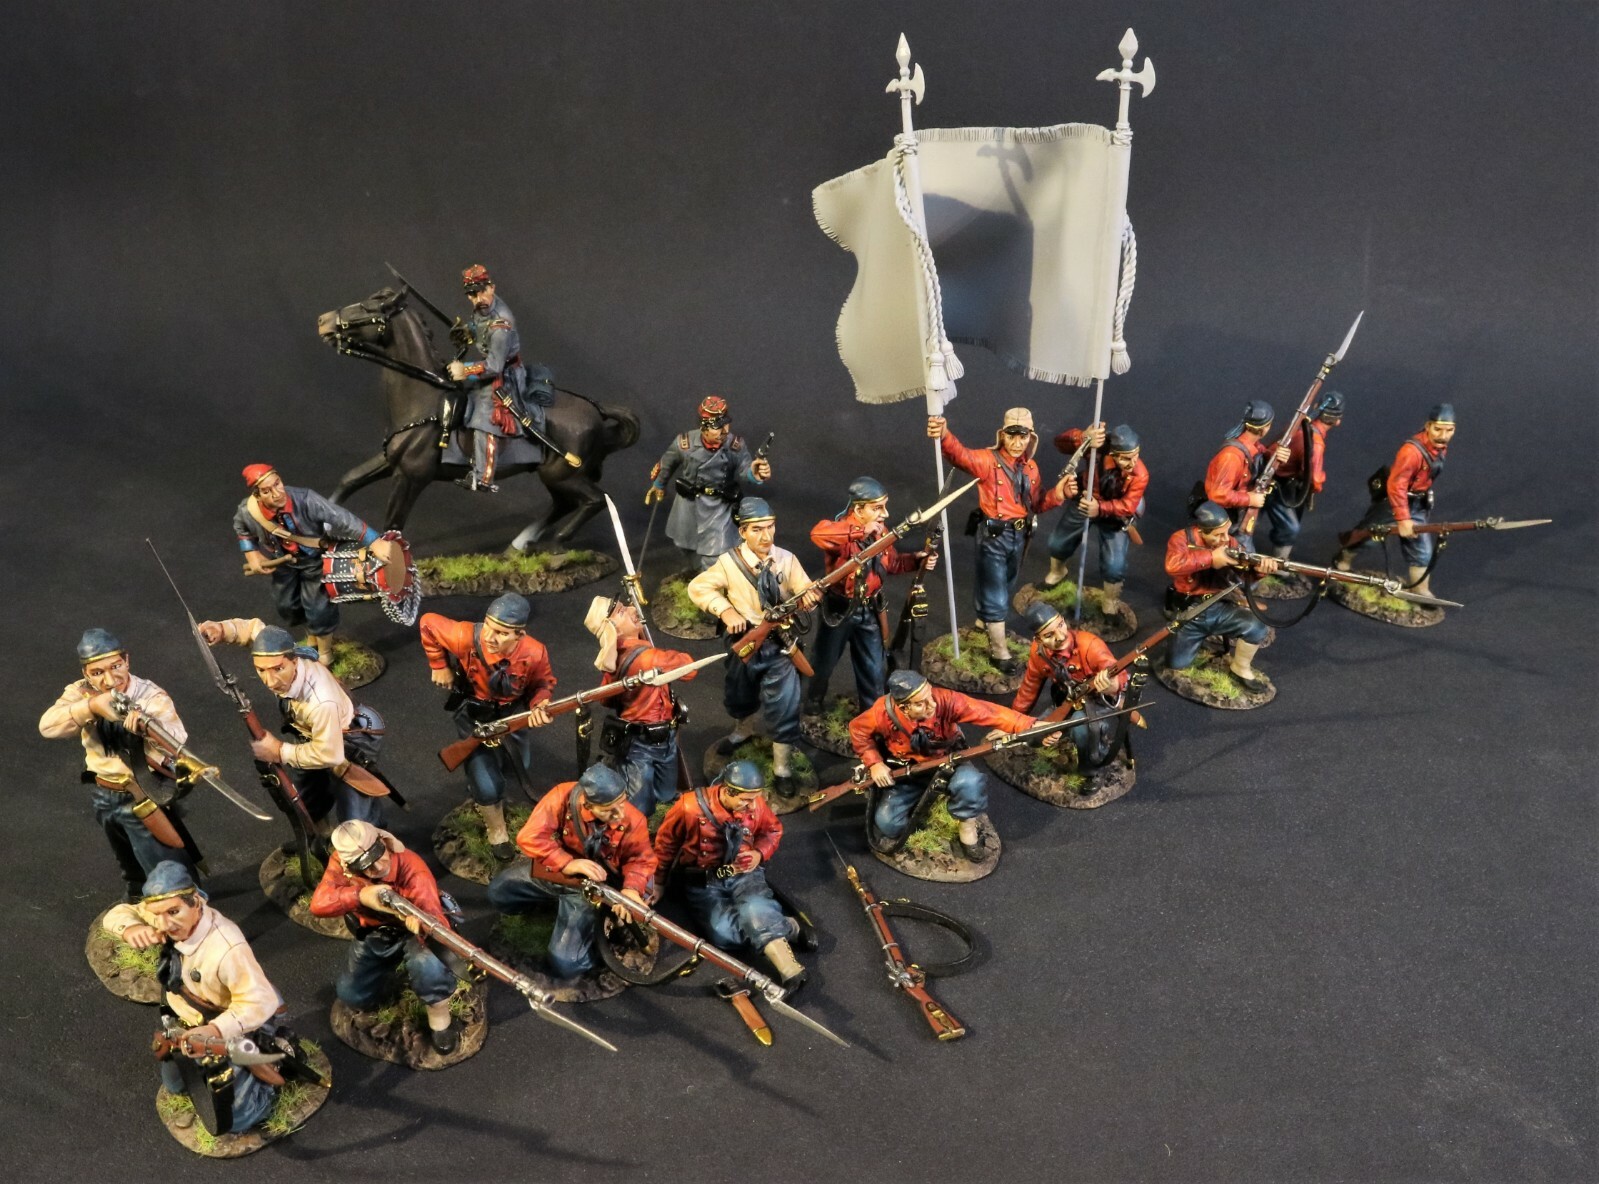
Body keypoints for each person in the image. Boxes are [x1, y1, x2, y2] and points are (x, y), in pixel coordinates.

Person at [104, 862, 285, 1133]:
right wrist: (129, 928)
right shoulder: (164, 913)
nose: (164, 924)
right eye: (157, 915)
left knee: (237, 1119)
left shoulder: (227, 947)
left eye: (173, 912)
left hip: (230, 1025)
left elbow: (261, 1000)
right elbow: (117, 914)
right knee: (176, 1084)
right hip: (184, 1023)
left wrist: (215, 1030)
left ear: (196, 903)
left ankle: (266, 1087)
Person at [39, 628, 202, 898]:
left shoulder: (150, 696)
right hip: (103, 792)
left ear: (126, 660)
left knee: (164, 862)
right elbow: (48, 726)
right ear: (86, 673)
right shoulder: (81, 692)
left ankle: (187, 902)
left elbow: (176, 741)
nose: (109, 679)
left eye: (115, 667)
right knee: (129, 864)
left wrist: (146, 728)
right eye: (97, 672)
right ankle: (138, 899)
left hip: (142, 792)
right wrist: (91, 707)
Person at [197, 617, 390, 829]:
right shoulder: (277, 654)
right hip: (310, 733)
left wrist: (281, 751)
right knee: (307, 795)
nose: (270, 681)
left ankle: (372, 842)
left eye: (278, 669)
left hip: (351, 737)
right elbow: (254, 631)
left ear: (295, 661)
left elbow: (330, 754)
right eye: (261, 670)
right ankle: (318, 835)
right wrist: (223, 629)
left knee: (356, 810)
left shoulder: (322, 701)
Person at [687, 497, 822, 795]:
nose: (766, 536)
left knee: (785, 703)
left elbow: (803, 588)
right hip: (744, 640)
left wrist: (809, 598)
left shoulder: (786, 559)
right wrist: (725, 610)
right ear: (743, 532)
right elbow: (698, 587)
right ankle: (742, 731)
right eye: (757, 529)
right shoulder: (729, 563)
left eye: (770, 527)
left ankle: (782, 768)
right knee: (739, 691)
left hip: (780, 642)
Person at [927, 407, 1072, 672]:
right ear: (1002, 435)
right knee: (995, 590)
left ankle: (983, 622)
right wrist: (945, 434)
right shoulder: (987, 461)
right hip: (993, 536)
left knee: (1006, 583)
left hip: (1019, 535)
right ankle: (999, 651)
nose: (1017, 443)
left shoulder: (1031, 468)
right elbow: (960, 456)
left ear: (1031, 437)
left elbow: (1037, 503)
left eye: (1023, 436)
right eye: (1011, 436)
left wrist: (1059, 493)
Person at [848, 670, 1049, 859]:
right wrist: (874, 763)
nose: (931, 705)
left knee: (970, 783)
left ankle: (967, 826)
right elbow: (858, 730)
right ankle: (922, 808)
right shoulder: (882, 712)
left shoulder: (946, 700)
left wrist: (1030, 725)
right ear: (904, 708)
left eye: (930, 697)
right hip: (907, 771)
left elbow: (988, 712)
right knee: (889, 824)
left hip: (949, 762)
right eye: (921, 704)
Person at [486, 765, 657, 985]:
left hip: (591, 890)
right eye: (609, 810)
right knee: (499, 893)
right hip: (559, 874)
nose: (620, 814)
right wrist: (566, 862)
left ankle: (596, 941)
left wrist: (631, 889)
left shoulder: (634, 820)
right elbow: (529, 836)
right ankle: (554, 907)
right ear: (587, 804)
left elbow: (641, 860)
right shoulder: (562, 797)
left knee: (567, 964)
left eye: (622, 803)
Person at [420, 594, 556, 859]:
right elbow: (428, 622)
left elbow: (543, 683)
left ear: (519, 635)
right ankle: (497, 830)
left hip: (510, 717)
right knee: (486, 782)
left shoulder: (535, 652)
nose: (491, 637)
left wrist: (540, 704)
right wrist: (439, 665)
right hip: (474, 716)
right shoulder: (464, 636)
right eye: (489, 627)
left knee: (518, 765)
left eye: (502, 633)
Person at [653, 760, 809, 991]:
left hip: (743, 873)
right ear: (728, 791)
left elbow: (772, 830)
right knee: (725, 936)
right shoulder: (688, 807)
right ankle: (786, 926)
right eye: (745, 800)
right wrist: (658, 881)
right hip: (703, 880)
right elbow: (666, 844)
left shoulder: (755, 804)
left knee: (755, 909)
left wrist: (758, 853)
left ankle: (791, 971)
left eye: (754, 799)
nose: (751, 805)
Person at [309, 821, 463, 1054]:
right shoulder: (343, 863)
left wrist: (421, 925)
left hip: (416, 933)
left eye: (378, 855)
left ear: (384, 842)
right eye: (366, 866)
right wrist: (360, 895)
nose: (377, 867)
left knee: (428, 966)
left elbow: (435, 919)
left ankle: (440, 1019)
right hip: (377, 931)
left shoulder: (413, 869)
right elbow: (319, 904)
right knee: (353, 995)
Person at [805, 476, 933, 714]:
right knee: (824, 662)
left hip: (869, 610)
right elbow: (818, 534)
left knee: (874, 668)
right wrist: (859, 531)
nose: (885, 514)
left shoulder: (881, 533)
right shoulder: (843, 530)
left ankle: (872, 713)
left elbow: (892, 563)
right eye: (877, 508)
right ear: (858, 510)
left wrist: (916, 561)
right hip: (839, 610)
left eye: (884, 506)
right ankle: (813, 702)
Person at [233, 464, 382, 666]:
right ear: (257, 495)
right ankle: (311, 637)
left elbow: (341, 517)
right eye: (267, 491)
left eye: (277, 484)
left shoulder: (305, 499)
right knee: (287, 605)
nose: (277, 493)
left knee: (318, 606)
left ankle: (325, 653)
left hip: (315, 560)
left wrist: (374, 540)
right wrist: (252, 555)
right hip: (283, 564)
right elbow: (242, 528)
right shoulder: (248, 511)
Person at [582, 595, 699, 817]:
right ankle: (638, 828)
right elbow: (690, 669)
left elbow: (606, 700)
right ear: (612, 628)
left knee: (666, 791)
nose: (632, 609)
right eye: (621, 611)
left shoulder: (618, 659)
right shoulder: (649, 658)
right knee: (641, 801)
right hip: (643, 742)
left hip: (659, 737)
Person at [1334, 403, 1456, 598]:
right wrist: (1403, 518)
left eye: (1449, 430)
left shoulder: (1439, 448)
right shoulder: (1411, 452)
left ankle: (1420, 589)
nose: (1443, 435)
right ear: (1428, 426)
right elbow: (1396, 485)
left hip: (1417, 504)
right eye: (1438, 429)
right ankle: (1342, 561)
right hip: (1393, 504)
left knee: (1422, 548)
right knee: (1369, 537)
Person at [445, 264, 548, 492]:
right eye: (473, 294)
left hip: (505, 377)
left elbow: (494, 366)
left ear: (491, 287)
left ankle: (483, 477)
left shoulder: (502, 324)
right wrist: (469, 331)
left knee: (486, 419)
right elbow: (481, 328)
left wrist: (465, 370)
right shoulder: (483, 309)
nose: (478, 298)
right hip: (494, 368)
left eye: (482, 291)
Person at [1163, 501, 1281, 692]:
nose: (1225, 539)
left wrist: (1260, 570)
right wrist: (1211, 558)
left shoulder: (1231, 542)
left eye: (1226, 533)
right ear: (1202, 531)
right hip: (1190, 613)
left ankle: (1240, 668)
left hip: (1220, 606)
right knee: (1176, 663)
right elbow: (1173, 565)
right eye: (1218, 535)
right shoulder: (1181, 539)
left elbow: (1244, 576)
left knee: (1257, 628)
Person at [647, 395, 772, 571]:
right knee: (685, 545)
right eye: (717, 427)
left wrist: (755, 473)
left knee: (713, 554)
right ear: (703, 427)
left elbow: (745, 470)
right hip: (688, 504)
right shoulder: (684, 444)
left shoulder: (735, 446)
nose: (724, 431)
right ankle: (696, 572)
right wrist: (659, 485)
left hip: (718, 506)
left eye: (726, 424)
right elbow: (667, 463)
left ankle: (710, 581)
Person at [1043, 423, 1149, 617]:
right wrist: (1084, 438)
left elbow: (1128, 506)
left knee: (1114, 565)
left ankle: (1110, 599)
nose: (1132, 462)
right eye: (1126, 458)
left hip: (1114, 514)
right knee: (1058, 542)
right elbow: (1060, 443)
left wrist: (1100, 508)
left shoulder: (1139, 474)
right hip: (1086, 499)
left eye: (1136, 455)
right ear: (1114, 454)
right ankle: (1058, 571)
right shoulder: (1095, 449)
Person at [1012, 602, 1129, 765]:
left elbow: (1117, 672)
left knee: (1083, 729)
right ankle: (1065, 734)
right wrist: (1013, 720)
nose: (1060, 637)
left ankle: (1091, 765)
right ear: (1038, 639)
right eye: (1049, 635)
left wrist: (1112, 685)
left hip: (1097, 700)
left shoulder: (1089, 645)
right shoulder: (1039, 653)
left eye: (1061, 625)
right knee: (1034, 737)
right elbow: (1029, 687)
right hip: (1067, 700)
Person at [1264, 391, 1344, 560]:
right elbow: (1314, 480)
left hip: (1273, 477)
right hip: (1278, 485)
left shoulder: (1299, 424)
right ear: (1338, 421)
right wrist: (1319, 481)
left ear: (1316, 407)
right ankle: (1278, 564)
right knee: (1289, 528)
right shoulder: (1315, 442)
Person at [1200, 401, 1292, 528]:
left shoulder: (1254, 445)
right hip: (1227, 519)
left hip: (1242, 510)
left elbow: (1260, 458)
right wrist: (1249, 499)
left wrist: (1275, 455)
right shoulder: (1231, 456)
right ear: (1264, 428)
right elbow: (1218, 494)